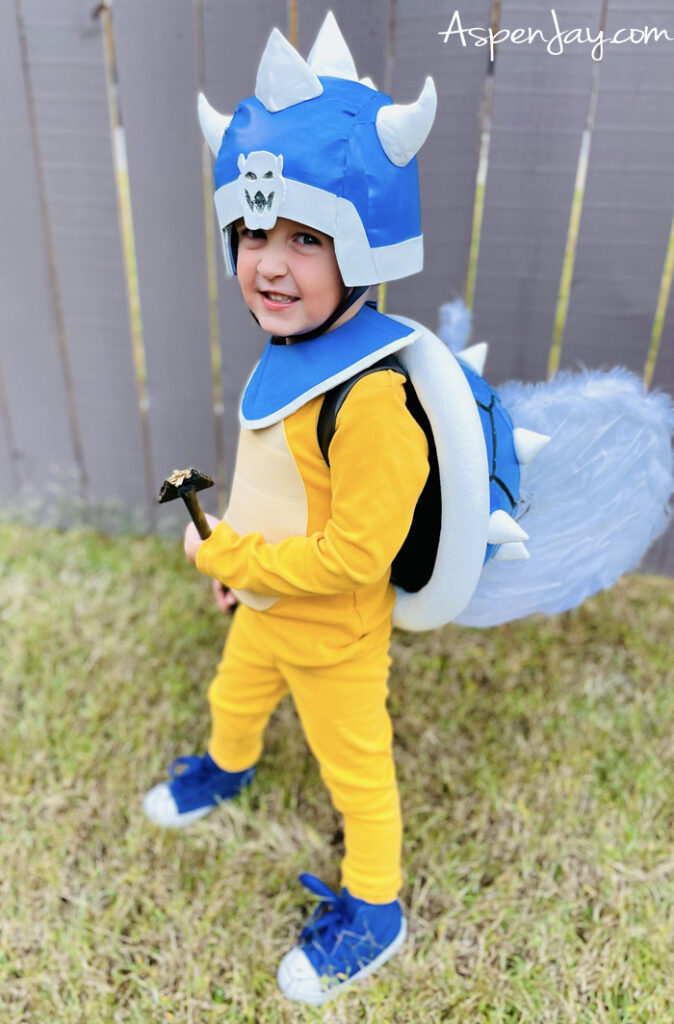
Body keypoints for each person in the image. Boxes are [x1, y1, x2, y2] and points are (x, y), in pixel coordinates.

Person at [145, 14, 436, 1006]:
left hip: (334, 633)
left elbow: (356, 553)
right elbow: (276, 490)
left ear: (362, 243)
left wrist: (229, 552)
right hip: (265, 607)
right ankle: (226, 764)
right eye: (253, 233)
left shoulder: (373, 400)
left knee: (356, 771)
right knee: (235, 699)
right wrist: (239, 569)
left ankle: (377, 907)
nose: (268, 263)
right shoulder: (291, 351)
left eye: (305, 238)